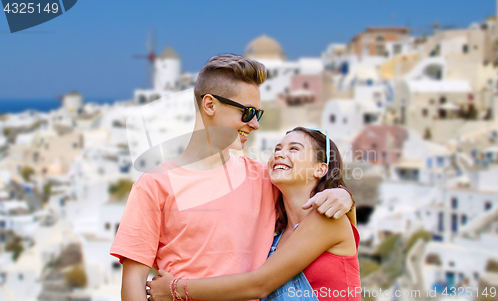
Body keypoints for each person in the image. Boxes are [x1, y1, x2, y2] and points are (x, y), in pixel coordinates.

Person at [109, 54, 355, 301]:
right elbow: (133, 283)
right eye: (247, 112)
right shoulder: (153, 185)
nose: (254, 124)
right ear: (210, 105)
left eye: (258, 114)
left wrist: (344, 194)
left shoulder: (266, 178)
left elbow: (317, 198)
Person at [146, 127, 360, 301]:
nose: (279, 153)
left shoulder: (327, 218)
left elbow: (259, 285)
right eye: (277, 148)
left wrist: (175, 290)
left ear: (320, 170)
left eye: (294, 149)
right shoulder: (274, 234)